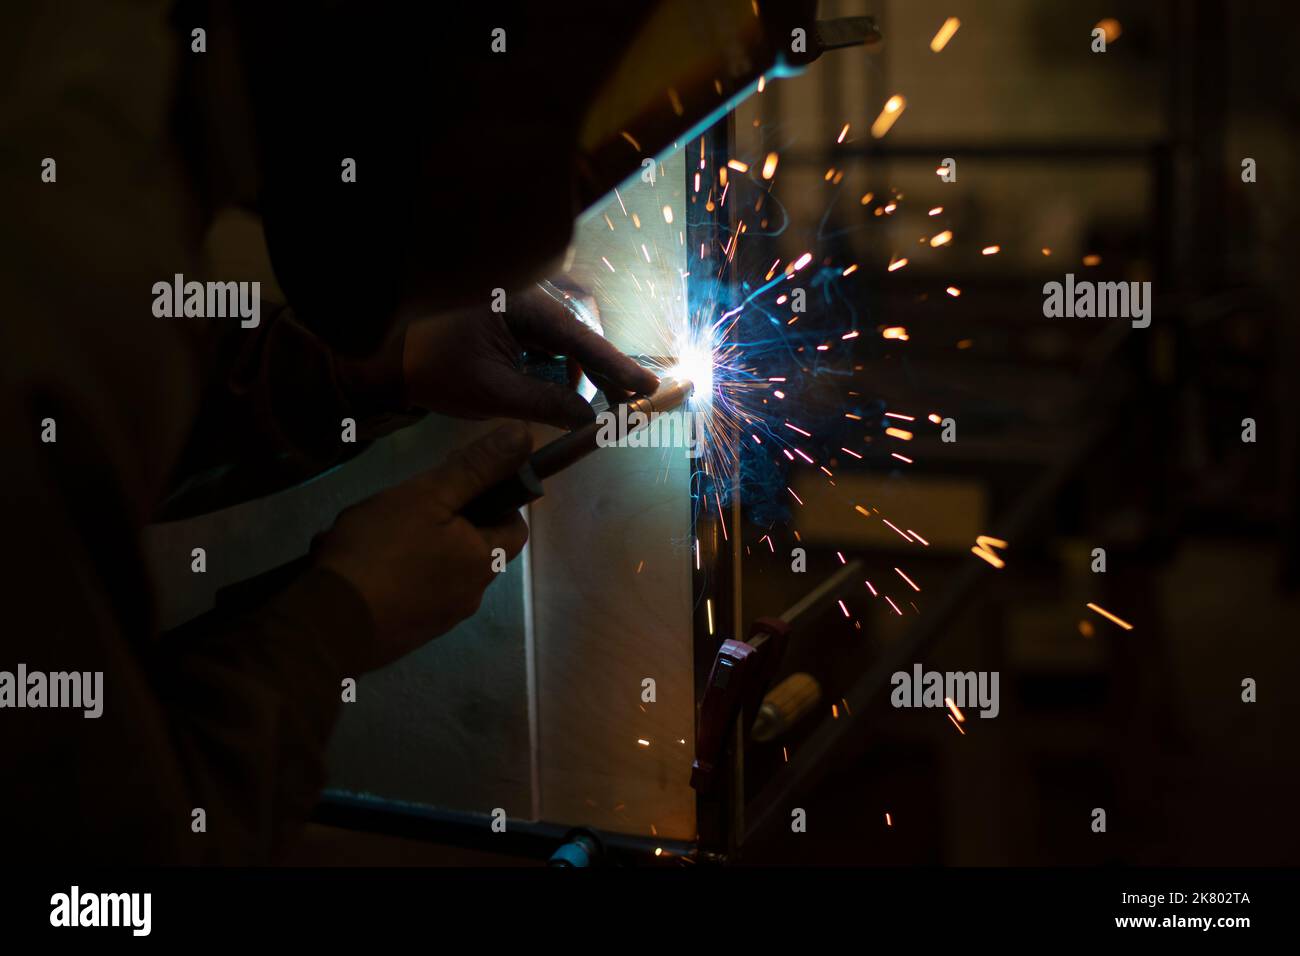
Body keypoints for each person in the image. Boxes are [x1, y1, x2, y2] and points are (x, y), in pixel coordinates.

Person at [0, 0, 657, 862]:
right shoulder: (66, 219)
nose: (543, 234)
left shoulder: (124, 124)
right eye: (551, 120)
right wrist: (334, 624)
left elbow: (118, 428)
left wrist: (385, 367)